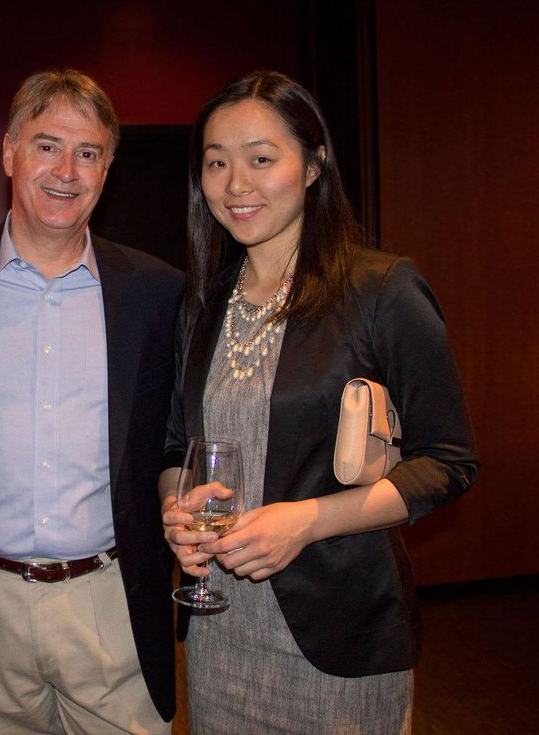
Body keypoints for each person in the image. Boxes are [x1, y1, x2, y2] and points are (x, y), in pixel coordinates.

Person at [160, 70, 478, 733]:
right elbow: (175, 445)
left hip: (343, 636)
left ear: (312, 165)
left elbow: (447, 460)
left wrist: (305, 520)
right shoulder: (203, 302)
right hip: (221, 634)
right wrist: (176, 506)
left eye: (261, 158)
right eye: (216, 162)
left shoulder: (380, 288)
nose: (236, 183)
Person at [0, 69, 183, 733]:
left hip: (108, 602)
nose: (66, 171)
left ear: (108, 168)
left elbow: (171, 436)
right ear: (8, 152)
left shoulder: (157, 294)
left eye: (88, 153)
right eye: (46, 145)